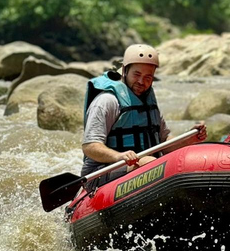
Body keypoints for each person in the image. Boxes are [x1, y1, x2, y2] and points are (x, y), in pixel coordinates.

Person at [81, 44, 206, 180]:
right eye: (137, 74)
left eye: (148, 77)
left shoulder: (148, 103)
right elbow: (90, 146)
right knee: (149, 163)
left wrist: (189, 139)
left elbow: (164, 143)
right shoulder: (107, 101)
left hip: (145, 166)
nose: (141, 81)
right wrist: (119, 156)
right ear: (125, 70)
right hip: (102, 172)